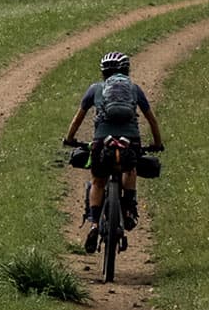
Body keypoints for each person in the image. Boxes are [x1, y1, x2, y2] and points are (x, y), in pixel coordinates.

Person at [62, 50, 165, 228]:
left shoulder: (95, 89)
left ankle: (94, 223)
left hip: (103, 139)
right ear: (127, 71)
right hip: (130, 138)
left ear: (103, 72)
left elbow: (77, 118)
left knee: (97, 181)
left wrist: (70, 138)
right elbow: (152, 120)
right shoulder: (134, 89)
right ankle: (128, 209)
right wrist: (157, 143)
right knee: (130, 168)